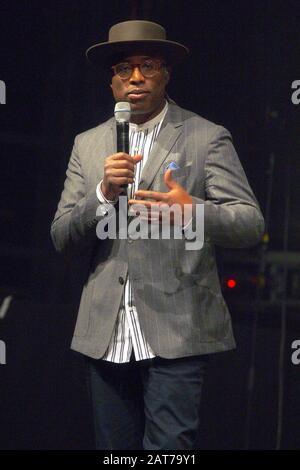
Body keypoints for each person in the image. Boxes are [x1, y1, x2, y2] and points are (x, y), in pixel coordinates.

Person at [51, 20, 265, 450]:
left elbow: (250, 224)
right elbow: (61, 236)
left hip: (177, 329)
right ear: (111, 80)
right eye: (123, 68)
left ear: (166, 73)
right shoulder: (88, 144)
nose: (134, 77)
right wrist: (102, 193)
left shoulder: (206, 137)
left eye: (147, 65)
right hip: (105, 332)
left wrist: (194, 210)